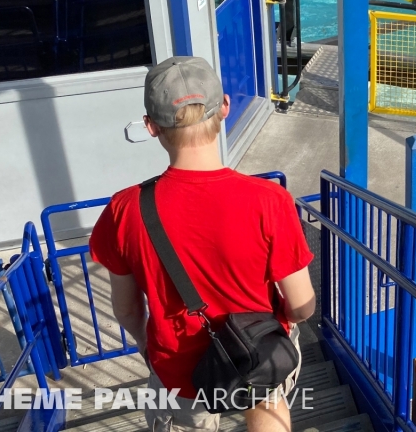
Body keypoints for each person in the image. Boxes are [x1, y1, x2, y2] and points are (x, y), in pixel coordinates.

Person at [89, 56, 315, 432]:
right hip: (260, 350)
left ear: (150, 126)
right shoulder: (269, 200)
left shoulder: (124, 209)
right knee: (266, 404)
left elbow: (128, 311)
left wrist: (150, 351)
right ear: (225, 106)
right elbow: (302, 306)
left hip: (179, 368)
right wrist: (285, 325)